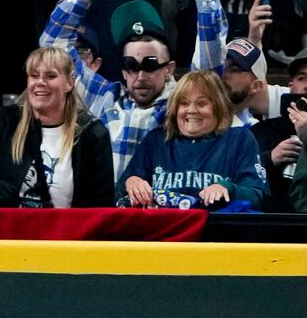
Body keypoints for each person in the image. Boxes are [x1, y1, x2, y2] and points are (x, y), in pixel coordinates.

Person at [41, 0, 226, 179]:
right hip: (106, 212)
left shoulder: (182, 104)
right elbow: (52, 45)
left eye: (150, 65)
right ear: (122, 70)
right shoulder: (104, 97)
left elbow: (210, 64)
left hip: (160, 211)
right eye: (131, 65)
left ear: (169, 69)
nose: (140, 75)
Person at [0, 47, 115, 208]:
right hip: (8, 231)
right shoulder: (4, 122)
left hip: (66, 232)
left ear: (69, 83)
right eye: (34, 75)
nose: (40, 82)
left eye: (51, 76)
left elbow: (101, 208)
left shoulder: (92, 134)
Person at [119, 68, 267, 208]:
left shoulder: (240, 139)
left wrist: (227, 188)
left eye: (201, 103)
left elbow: (257, 196)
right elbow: (118, 195)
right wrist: (131, 182)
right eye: (184, 103)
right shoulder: (156, 140)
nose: (191, 110)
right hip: (162, 231)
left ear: (218, 107)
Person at [249, 49, 307, 209]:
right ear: (291, 86)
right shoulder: (264, 130)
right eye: (302, 78)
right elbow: (240, 176)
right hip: (272, 226)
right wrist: (269, 158)